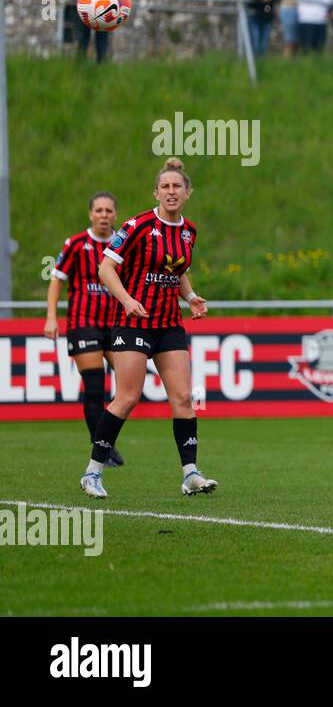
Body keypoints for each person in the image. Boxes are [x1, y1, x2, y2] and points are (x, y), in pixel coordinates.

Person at [80, 157, 216, 499]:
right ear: (156, 192)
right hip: (132, 322)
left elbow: (176, 268)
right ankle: (92, 472)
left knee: (184, 398)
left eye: (177, 187)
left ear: (188, 193)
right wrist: (126, 300)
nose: (171, 192)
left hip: (169, 323)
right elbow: (105, 268)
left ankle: (190, 474)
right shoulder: (137, 225)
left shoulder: (189, 231)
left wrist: (191, 295)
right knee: (126, 398)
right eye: (165, 187)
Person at [46, 191, 124, 466]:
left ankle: (105, 440)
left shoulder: (122, 244)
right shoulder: (76, 244)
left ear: (115, 214)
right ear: (90, 214)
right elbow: (57, 280)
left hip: (116, 325)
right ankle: (102, 448)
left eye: (108, 211)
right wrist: (51, 317)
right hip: (84, 324)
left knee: (129, 386)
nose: (104, 215)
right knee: (94, 387)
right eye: (99, 211)